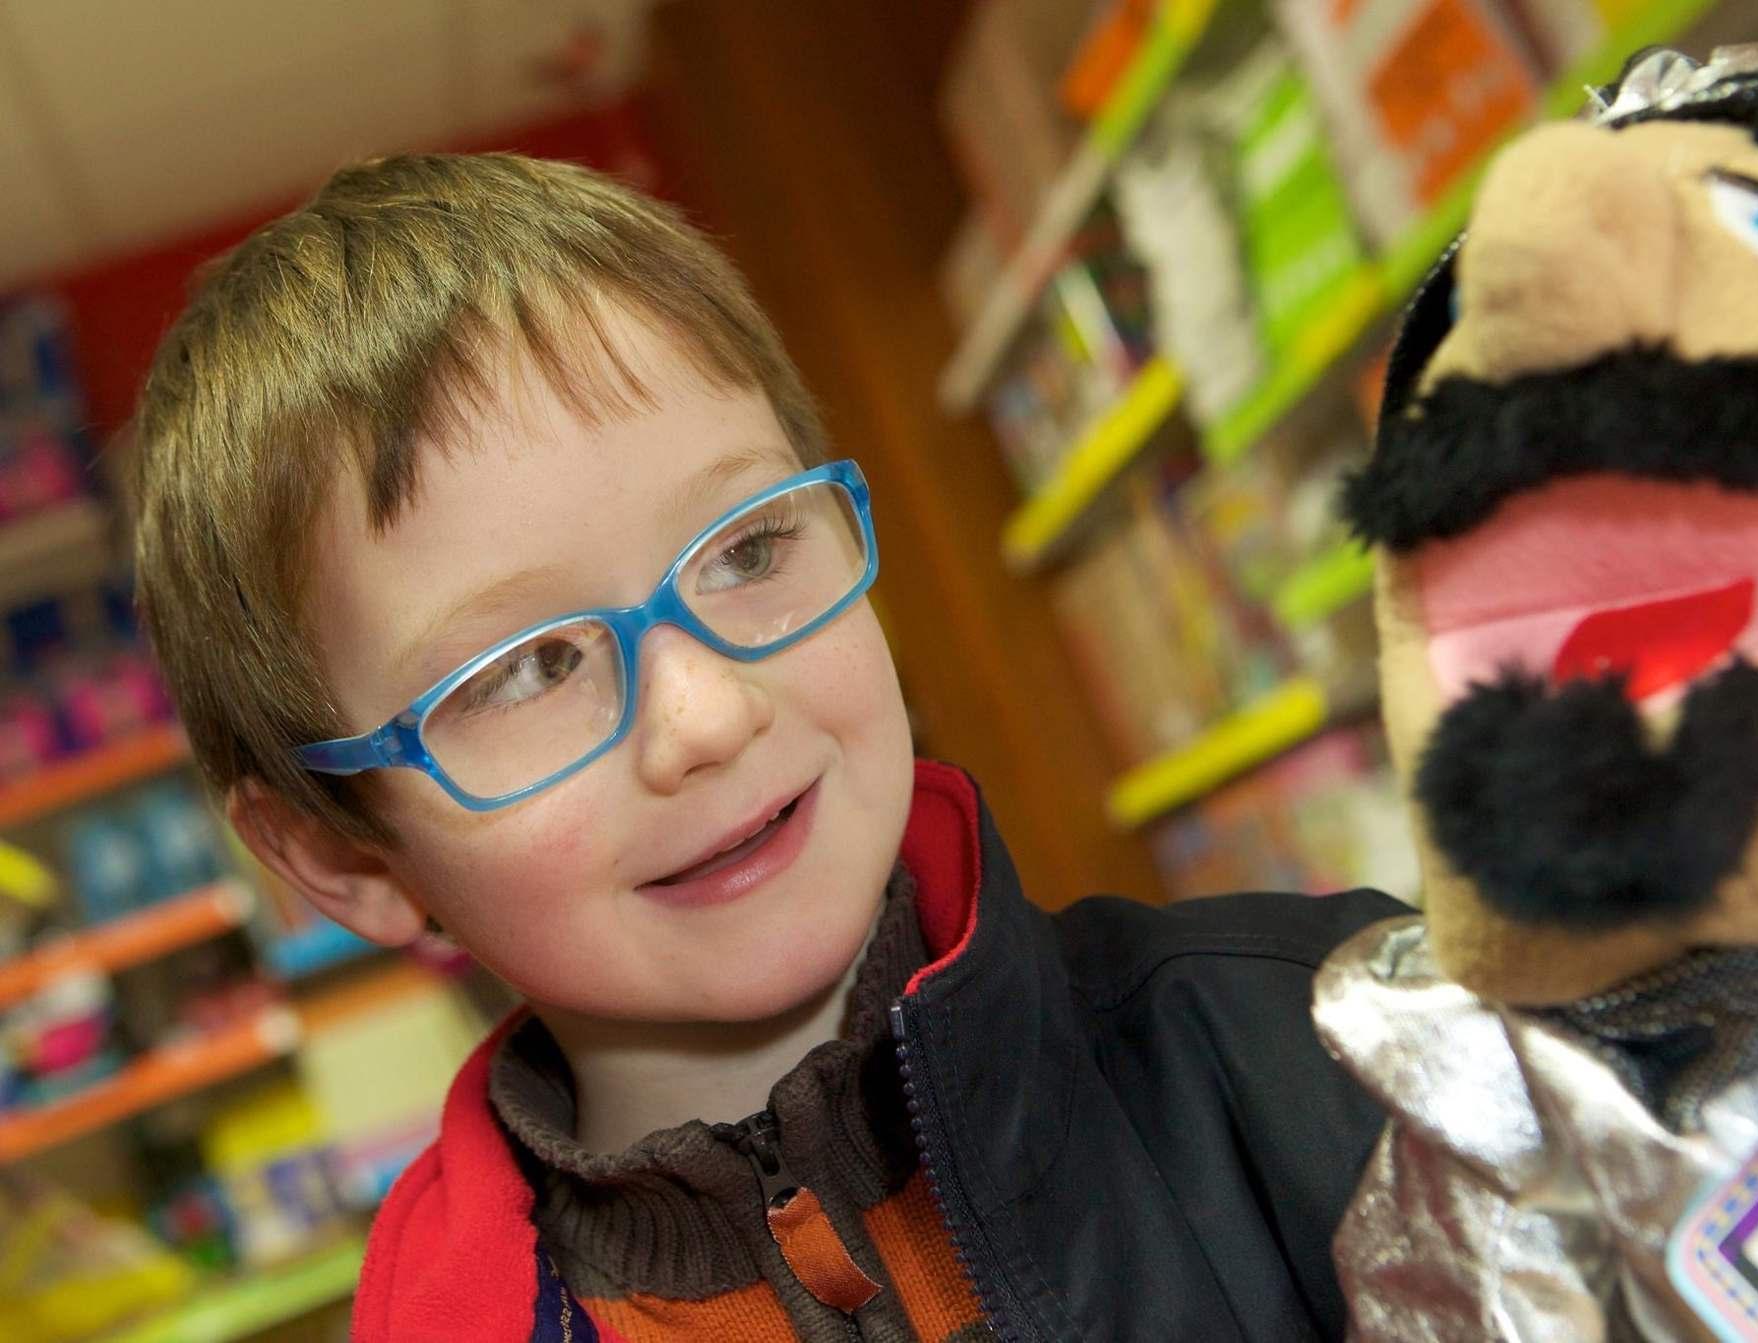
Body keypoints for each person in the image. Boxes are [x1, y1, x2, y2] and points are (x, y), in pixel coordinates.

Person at [126, 152, 1403, 1342]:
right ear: (343, 856)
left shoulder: (1340, 1047)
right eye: (524, 668)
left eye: (745, 549)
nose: (706, 713)